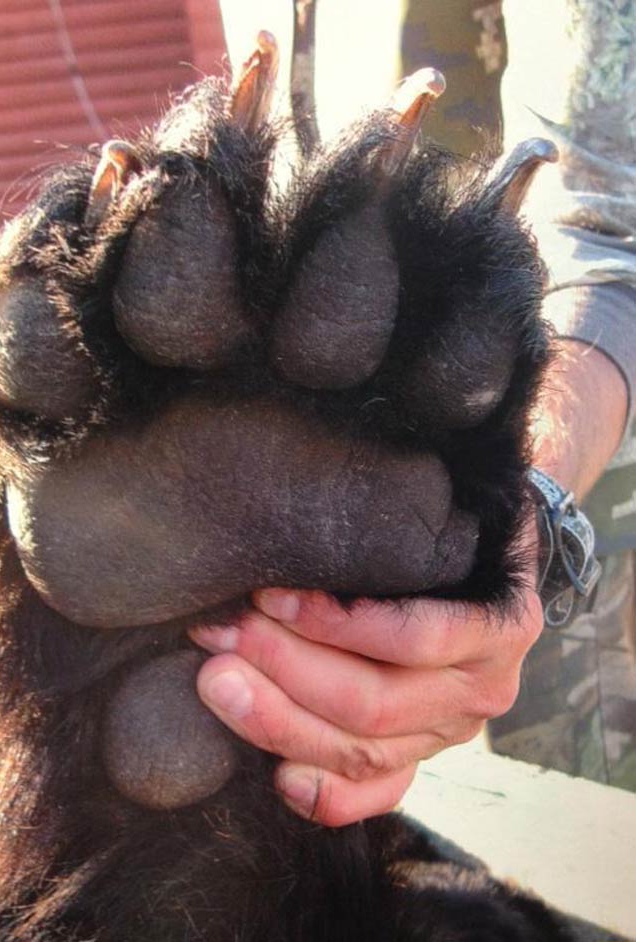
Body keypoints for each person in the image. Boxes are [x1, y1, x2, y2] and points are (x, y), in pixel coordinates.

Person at [190, 0, 636, 825]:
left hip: (571, 504)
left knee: (573, 842)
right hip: (332, 510)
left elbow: (617, 244)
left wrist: (519, 503)